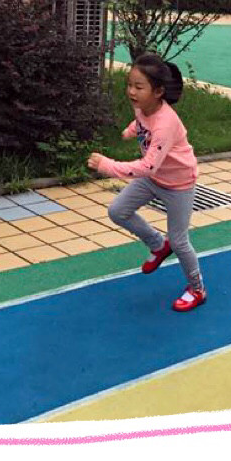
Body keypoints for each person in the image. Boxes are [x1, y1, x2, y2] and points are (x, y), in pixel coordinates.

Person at [87, 53, 206, 312]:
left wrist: (108, 166)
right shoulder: (142, 106)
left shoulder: (166, 124)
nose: (131, 91)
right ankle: (157, 245)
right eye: (129, 84)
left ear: (158, 92)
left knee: (179, 241)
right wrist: (131, 130)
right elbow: (142, 122)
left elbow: (147, 166)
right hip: (154, 179)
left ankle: (197, 289)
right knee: (118, 211)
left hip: (179, 184)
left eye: (139, 87)